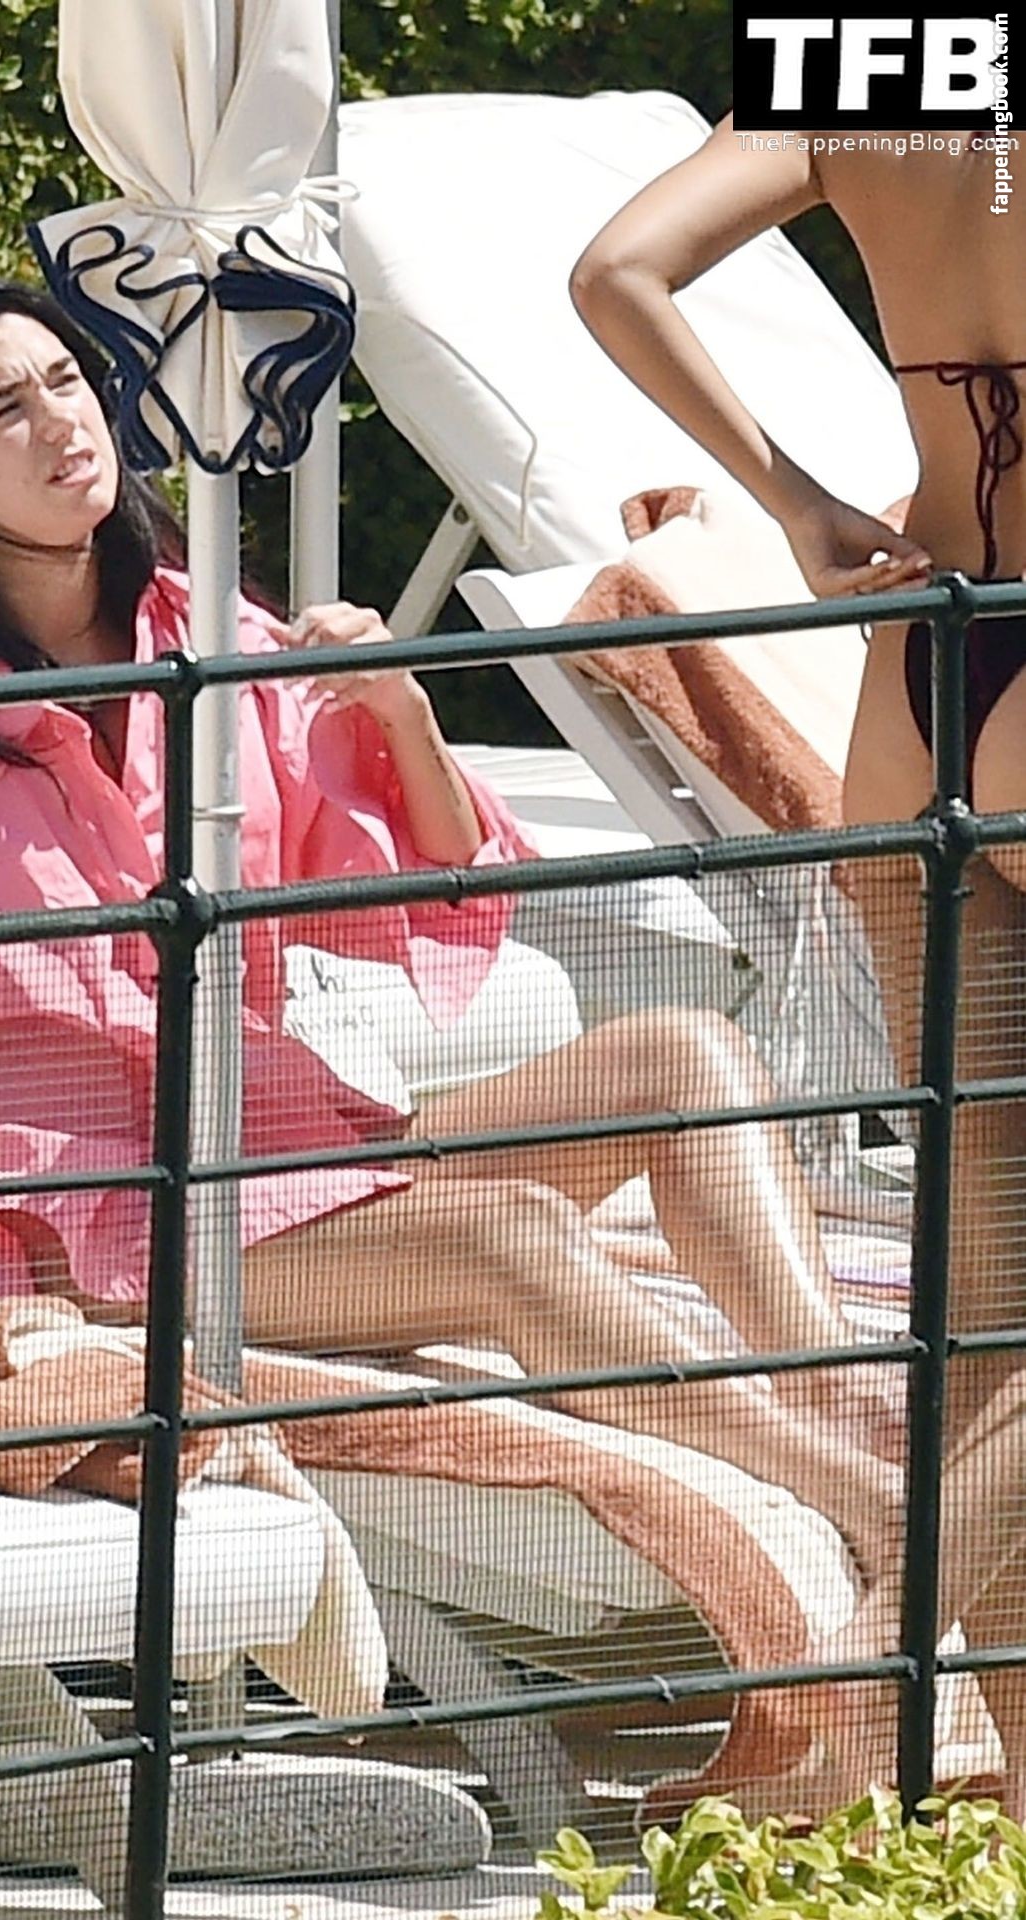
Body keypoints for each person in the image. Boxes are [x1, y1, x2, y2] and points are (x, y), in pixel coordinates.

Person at [0, 280, 899, 1576]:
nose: (62, 420)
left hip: (263, 1149)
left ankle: (847, 1407)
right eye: (5, 410)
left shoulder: (206, 638)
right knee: (508, 1236)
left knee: (685, 1059)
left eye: (67, 382)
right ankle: (874, 1505)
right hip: (61, 1226)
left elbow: (431, 900)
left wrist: (402, 715)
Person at [569, 118, 1026, 1803]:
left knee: (989, 1309)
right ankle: (869, 1646)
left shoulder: (867, 62)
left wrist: (800, 506)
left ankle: (1008, 1810)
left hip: (921, 678)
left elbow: (613, 272)